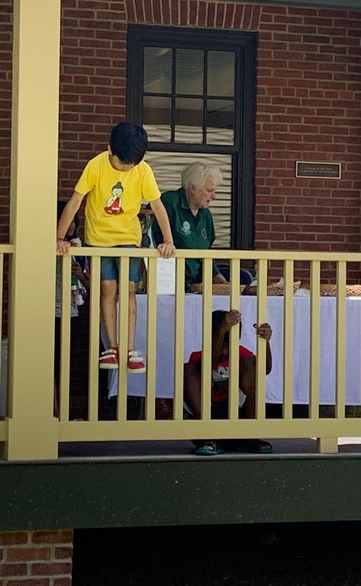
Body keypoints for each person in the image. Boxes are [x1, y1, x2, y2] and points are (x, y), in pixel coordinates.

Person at [57, 122, 176, 373]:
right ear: (109, 149)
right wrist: (59, 237)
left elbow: (157, 205)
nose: (125, 168)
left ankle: (130, 348)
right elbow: (76, 201)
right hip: (98, 239)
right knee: (108, 289)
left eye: (131, 164)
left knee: (129, 290)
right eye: (122, 163)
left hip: (128, 239)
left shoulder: (143, 170)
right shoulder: (96, 165)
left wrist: (168, 240)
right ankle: (112, 346)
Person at [184, 309, 273, 456]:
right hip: (208, 420)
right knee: (188, 368)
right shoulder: (198, 356)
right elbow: (206, 365)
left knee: (250, 363)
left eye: (229, 347)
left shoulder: (241, 353)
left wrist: (266, 341)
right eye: (222, 346)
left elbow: (266, 369)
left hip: (238, 418)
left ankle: (250, 436)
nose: (225, 352)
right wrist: (221, 330)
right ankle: (208, 436)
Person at [152, 161, 252, 290]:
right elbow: (149, 238)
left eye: (215, 191)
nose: (214, 196)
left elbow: (206, 255)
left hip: (193, 284)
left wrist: (222, 282)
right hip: (165, 282)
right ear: (192, 188)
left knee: (243, 278)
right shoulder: (170, 201)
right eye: (209, 191)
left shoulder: (205, 215)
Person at [54, 200, 91, 416]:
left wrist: (79, 273)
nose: (70, 226)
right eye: (65, 220)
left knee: (68, 364)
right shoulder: (48, 247)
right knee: (52, 365)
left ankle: (64, 413)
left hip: (73, 312)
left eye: (73, 221)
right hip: (52, 311)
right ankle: (54, 412)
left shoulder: (79, 248)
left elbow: (91, 286)